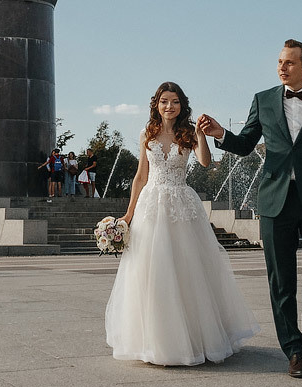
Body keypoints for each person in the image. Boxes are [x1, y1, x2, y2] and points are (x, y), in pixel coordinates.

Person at [198, 40, 302, 380]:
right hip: (275, 200)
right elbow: (244, 143)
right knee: (281, 280)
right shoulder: (263, 99)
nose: (281, 68)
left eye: (288, 62)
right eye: (279, 62)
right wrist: (220, 133)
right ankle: (294, 349)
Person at [106, 82, 257, 366]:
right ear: (156, 104)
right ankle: (155, 341)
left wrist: (201, 135)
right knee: (152, 272)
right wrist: (128, 214)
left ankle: (196, 338)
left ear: (181, 105)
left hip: (181, 205)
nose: (169, 107)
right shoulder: (146, 133)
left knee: (188, 270)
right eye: (164, 101)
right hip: (151, 205)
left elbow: (204, 162)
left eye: (174, 102)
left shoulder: (188, 132)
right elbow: (140, 176)